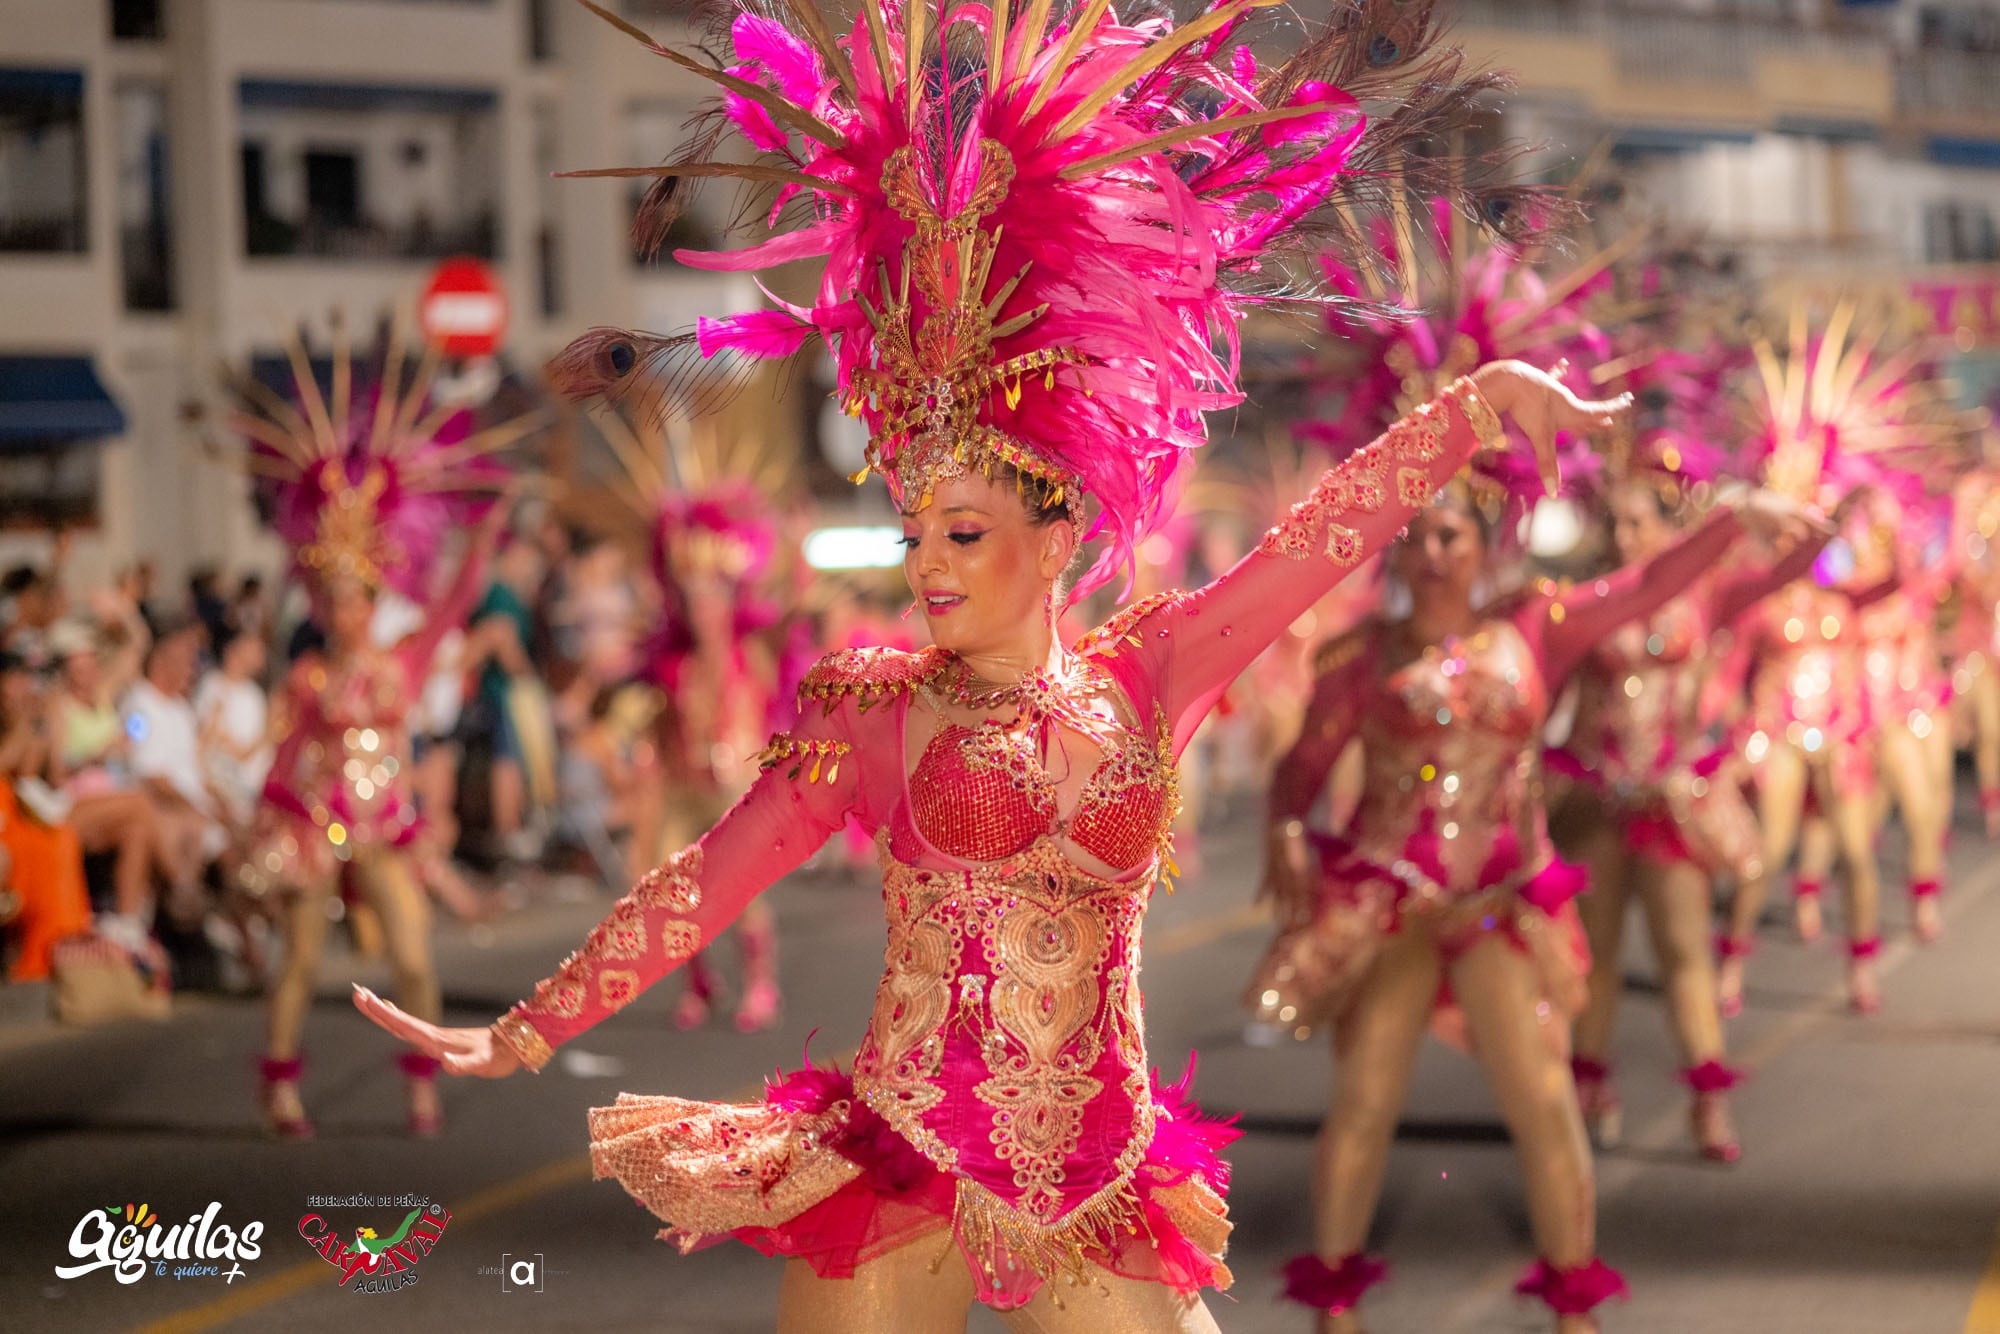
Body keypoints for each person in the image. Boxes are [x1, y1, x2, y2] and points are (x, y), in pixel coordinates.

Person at [357, 3, 1620, 1328]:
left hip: (1103, 1172)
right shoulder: (876, 712)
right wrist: (528, 1026)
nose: (930, 563)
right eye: (914, 532)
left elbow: (1317, 541)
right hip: (904, 1155)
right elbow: (701, 883)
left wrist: (1474, 408)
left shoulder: (1153, 672)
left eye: (963, 531)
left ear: (1057, 528)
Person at [227, 324, 525, 1139]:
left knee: (415, 960)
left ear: (375, 591)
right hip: (319, 826)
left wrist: (485, 529)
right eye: (335, 597)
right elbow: (285, 761)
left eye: (359, 594)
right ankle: (280, 1087)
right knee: (300, 963)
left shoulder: (405, 657)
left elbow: (460, 595)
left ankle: (421, 1085)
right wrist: (271, 833)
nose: (347, 608)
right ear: (320, 602)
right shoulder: (308, 677)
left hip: (388, 823)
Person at [1554, 474, 1835, 1164]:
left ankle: (1708, 1100)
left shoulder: (1704, 594)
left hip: (1669, 801)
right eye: (1614, 524)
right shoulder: (1591, 602)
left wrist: (1817, 524)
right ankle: (1589, 1090)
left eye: (1638, 522)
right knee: (1597, 954)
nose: (1624, 538)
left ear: (1669, 529)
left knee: (1685, 952)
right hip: (1595, 795)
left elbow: (1786, 572)